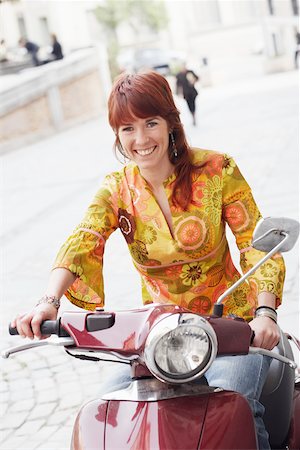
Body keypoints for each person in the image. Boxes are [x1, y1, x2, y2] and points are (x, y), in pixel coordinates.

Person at [12, 71, 285, 450]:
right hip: (160, 337)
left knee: (235, 406)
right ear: (117, 135)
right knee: (105, 415)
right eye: (127, 128)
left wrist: (265, 313)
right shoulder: (116, 189)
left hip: (233, 329)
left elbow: (255, 243)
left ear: (171, 123)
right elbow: (84, 238)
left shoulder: (218, 169)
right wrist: (48, 302)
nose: (141, 139)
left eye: (150, 123)